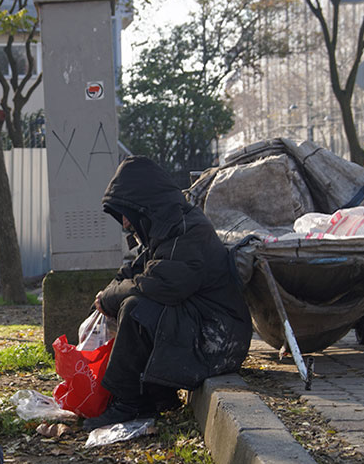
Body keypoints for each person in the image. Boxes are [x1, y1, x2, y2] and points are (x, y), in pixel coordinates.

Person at [84, 156, 253, 431]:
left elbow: (160, 285)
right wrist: (104, 296)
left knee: (137, 309)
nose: (125, 223)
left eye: (126, 213)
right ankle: (154, 395)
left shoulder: (188, 231)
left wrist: (111, 298)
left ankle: (131, 402)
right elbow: (133, 272)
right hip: (205, 323)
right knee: (133, 303)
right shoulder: (166, 229)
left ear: (144, 206)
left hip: (220, 339)